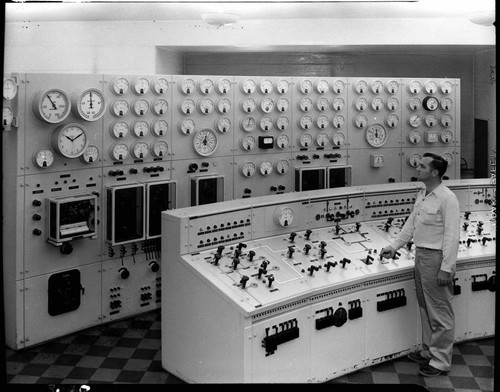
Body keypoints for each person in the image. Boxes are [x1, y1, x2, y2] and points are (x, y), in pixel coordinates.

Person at [380, 152, 460, 377]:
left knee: (440, 311)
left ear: (434, 172)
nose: (417, 168)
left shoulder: (447, 198)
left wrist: (447, 267)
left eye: (422, 166)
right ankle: (429, 351)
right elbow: (412, 223)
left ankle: (441, 361)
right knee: (426, 307)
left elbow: (452, 236)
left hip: (435, 259)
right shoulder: (424, 193)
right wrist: (395, 246)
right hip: (421, 256)